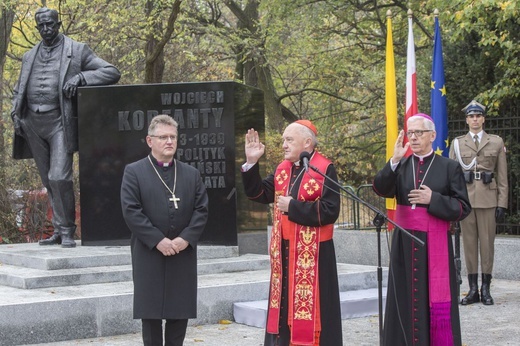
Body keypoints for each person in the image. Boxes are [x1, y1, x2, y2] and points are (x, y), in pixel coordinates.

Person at [10, 7, 121, 247]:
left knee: (59, 177)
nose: (46, 29)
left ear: (58, 24)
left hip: (59, 122)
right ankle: (59, 230)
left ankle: (69, 230)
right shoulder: (29, 55)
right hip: (32, 123)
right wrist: (15, 114)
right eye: (41, 26)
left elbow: (112, 72)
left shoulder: (77, 50)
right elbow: (19, 88)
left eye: (50, 24)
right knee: (48, 182)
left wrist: (81, 78)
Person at [241, 120, 343, 346]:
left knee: (316, 311)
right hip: (285, 254)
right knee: (284, 308)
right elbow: (259, 194)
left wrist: (293, 207)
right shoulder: (282, 169)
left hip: (314, 256)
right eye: (283, 140)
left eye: (289, 140)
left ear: (307, 142)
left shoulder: (324, 168)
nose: (284, 145)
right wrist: (251, 162)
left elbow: (330, 211)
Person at [373, 114, 471, 346]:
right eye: (410, 133)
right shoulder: (401, 165)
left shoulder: (449, 167)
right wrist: (394, 161)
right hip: (403, 243)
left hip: (433, 245)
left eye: (419, 133)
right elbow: (380, 188)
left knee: (430, 297)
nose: (414, 137)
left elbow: (463, 207)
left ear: (432, 136)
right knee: (404, 297)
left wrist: (433, 199)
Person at [121, 114, 209, 346]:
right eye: (163, 137)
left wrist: (185, 239)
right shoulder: (134, 172)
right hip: (149, 252)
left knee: (179, 311)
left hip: (182, 252)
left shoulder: (191, 174)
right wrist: (158, 240)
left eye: (173, 137)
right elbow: (131, 211)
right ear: (150, 141)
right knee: (150, 313)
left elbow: (202, 210)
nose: (169, 141)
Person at [449, 100, 508, 306]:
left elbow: (502, 175)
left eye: (478, 116)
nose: (475, 119)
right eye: (471, 116)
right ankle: (473, 289)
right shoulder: (457, 143)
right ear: (467, 120)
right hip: (466, 201)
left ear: (483, 119)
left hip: (488, 199)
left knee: (487, 245)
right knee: (469, 246)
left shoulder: (496, 142)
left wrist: (502, 203)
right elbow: (452, 177)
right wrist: (453, 203)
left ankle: (486, 288)